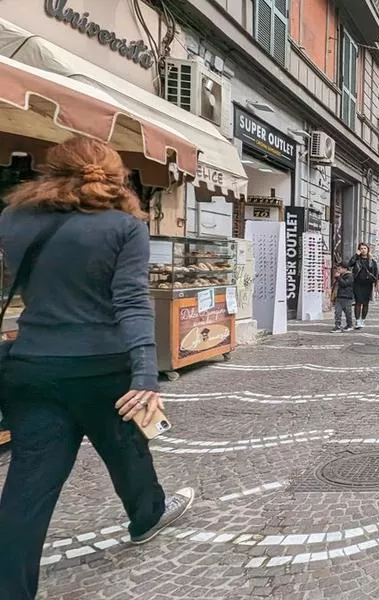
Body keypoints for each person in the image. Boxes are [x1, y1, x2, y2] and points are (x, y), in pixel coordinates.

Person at [0, 137, 195, 600]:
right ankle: (147, 515)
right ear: (113, 175)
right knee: (128, 450)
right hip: (103, 367)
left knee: (29, 481)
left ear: (53, 170)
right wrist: (145, 375)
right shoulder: (123, 227)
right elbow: (131, 303)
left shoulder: (14, 219)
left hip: (33, 363)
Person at [347, 243, 378, 330]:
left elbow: (375, 272)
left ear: (368, 250)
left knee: (365, 303)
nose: (363, 250)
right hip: (358, 283)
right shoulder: (357, 260)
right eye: (361, 248)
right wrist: (356, 255)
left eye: (365, 248)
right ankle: (357, 320)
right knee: (358, 302)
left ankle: (363, 319)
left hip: (367, 284)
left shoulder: (371, 260)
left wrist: (376, 283)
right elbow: (349, 264)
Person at [331, 262, 355, 332]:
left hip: (347, 297)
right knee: (337, 312)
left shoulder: (350, 276)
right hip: (339, 297)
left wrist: (338, 277)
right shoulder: (340, 276)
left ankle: (349, 325)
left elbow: (345, 284)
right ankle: (337, 326)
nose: (338, 270)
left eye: (340, 269)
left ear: (345, 269)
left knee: (348, 312)